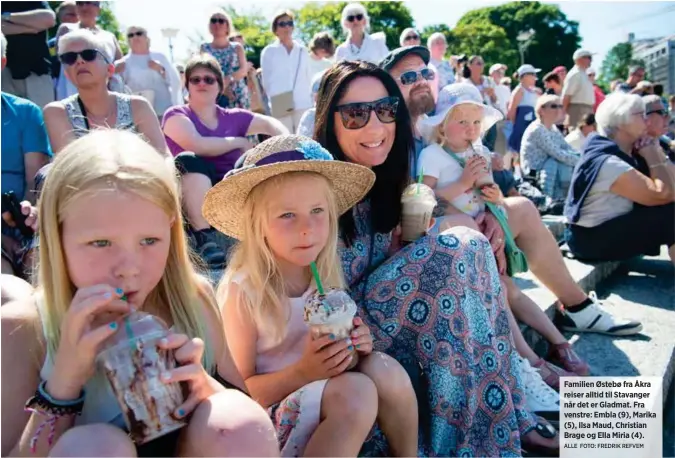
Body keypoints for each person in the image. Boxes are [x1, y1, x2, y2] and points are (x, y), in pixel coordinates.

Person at [313, 59, 561, 457]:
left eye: (385, 110)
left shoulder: (387, 177)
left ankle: (511, 405)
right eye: (356, 114)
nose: (375, 126)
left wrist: (486, 217)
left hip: (389, 306)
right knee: (462, 247)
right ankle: (495, 423)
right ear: (330, 119)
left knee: (469, 244)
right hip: (347, 328)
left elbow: (427, 212)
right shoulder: (318, 180)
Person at [0, 129, 280, 457]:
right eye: (100, 243)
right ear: (57, 238)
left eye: (149, 241)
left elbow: (246, 421)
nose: (129, 269)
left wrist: (205, 387)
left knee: (237, 424)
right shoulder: (24, 328)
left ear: (172, 229)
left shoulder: (194, 299)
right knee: (96, 448)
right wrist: (63, 382)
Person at [207, 135, 419, 457]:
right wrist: (304, 372)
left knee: (383, 368)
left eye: (317, 210)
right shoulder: (243, 291)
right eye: (287, 215)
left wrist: (355, 347)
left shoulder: (323, 275)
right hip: (268, 419)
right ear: (257, 225)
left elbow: (338, 362)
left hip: (323, 394)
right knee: (357, 391)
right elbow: (240, 391)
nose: (307, 228)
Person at [418, 83, 587, 389]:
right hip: (456, 239)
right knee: (503, 291)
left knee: (512, 289)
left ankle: (560, 343)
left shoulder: (480, 151)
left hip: (481, 231)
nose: (470, 129)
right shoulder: (431, 155)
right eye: (462, 122)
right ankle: (533, 362)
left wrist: (493, 198)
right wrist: (464, 181)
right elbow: (426, 200)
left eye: (475, 123)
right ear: (443, 125)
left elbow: (485, 194)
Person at [162, 54, 288, 269]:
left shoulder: (233, 116)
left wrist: (285, 143)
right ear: (187, 85)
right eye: (196, 79)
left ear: (219, 86)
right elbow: (197, 145)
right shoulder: (175, 114)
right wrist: (238, 141)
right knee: (187, 160)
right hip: (193, 192)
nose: (202, 83)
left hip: (232, 187)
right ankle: (205, 239)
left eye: (209, 79)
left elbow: (271, 124)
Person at [565, 92, 675, 265]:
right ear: (622, 122)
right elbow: (663, 195)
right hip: (590, 240)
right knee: (671, 213)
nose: (647, 120)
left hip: (610, 229)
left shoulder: (628, 151)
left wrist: (657, 152)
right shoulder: (609, 161)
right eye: (642, 115)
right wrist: (653, 155)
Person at [42, 29, 166, 155]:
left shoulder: (138, 106)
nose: (79, 61)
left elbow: (163, 156)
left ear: (110, 69)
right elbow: (70, 166)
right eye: (70, 58)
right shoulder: (57, 112)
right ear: (67, 74)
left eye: (89, 54)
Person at [1, 32, 51, 277]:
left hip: (23, 226)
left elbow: (35, 181)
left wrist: (26, 214)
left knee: (41, 267)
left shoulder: (26, 112)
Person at [379, 46, 436, 177]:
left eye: (426, 73)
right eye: (409, 77)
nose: (422, 81)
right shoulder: (383, 140)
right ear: (387, 88)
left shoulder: (432, 127)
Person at [55, 1, 124, 101]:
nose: (84, 6)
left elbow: (121, 64)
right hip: (72, 92)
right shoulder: (66, 29)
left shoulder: (109, 36)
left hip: (105, 95)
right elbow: (61, 58)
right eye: (79, 3)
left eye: (88, 3)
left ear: (98, 9)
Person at [520, 94, 581, 201]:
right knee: (559, 163)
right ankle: (553, 199)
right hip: (536, 174)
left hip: (550, 170)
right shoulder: (537, 129)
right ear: (541, 110)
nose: (558, 109)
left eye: (560, 106)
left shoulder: (552, 128)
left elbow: (567, 148)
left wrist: (582, 157)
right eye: (554, 106)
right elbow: (558, 154)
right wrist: (581, 161)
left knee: (565, 162)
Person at [261, 10, 312, 133]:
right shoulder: (269, 52)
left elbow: (308, 76)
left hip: (303, 100)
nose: (287, 27)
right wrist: (277, 99)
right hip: (280, 100)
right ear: (275, 29)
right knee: (284, 139)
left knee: (304, 138)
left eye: (290, 23)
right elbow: (266, 82)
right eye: (282, 24)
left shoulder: (302, 50)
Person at [114, 25, 182, 118]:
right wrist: (116, 73)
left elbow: (175, 81)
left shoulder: (160, 57)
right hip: (137, 113)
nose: (135, 37)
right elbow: (117, 89)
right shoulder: (122, 63)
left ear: (146, 37)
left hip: (162, 111)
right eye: (131, 35)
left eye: (139, 33)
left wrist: (160, 69)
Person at [0, 1, 55, 108]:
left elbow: (49, 19)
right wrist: (31, 28)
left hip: (36, 73)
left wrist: (6, 17)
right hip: (5, 74)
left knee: (42, 121)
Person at [200, 9, 250, 110]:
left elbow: (243, 70)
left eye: (221, 21)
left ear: (228, 26)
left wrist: (228, 80)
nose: (217, 24)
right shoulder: (204, 48)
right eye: (213, 21)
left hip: (237, 95)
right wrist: (221, 87)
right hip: (215, 95)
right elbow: (203, 71)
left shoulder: (237, 47)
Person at [507, 64, 540, 154]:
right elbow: (511, 111)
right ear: (525, 76)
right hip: (521, 128)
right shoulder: (519, 90)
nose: (535, 77)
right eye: (533, 74)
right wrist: (517, 126)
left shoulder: (533, 91)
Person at [562, 49, 595, 128]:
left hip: (586, 109)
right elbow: (567, 95)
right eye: (588, 57)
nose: (591, 60)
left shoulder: (583, 74)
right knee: (577, 134)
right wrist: (564, 113)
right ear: (579, 59)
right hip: (577, 110)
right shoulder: (575, 74)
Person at [490, 63, 512, 156]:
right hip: (492, 120)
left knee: (503, 149)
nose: (501, 73)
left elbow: (508, 105)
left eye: (502, 71)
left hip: (504, 121)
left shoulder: (505, 89)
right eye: (498, 71)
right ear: (492, 73)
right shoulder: (489, 85)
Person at [643, 94, 675, 161]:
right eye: (662, 112)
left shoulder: (661, 143)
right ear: (645, 117)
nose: (668, 117)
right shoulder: (638, 150)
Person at [296, 70, 326, 137]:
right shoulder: (310, 115)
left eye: (322, 88)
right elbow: (302, 140)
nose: (318, 93)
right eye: (315, 89)